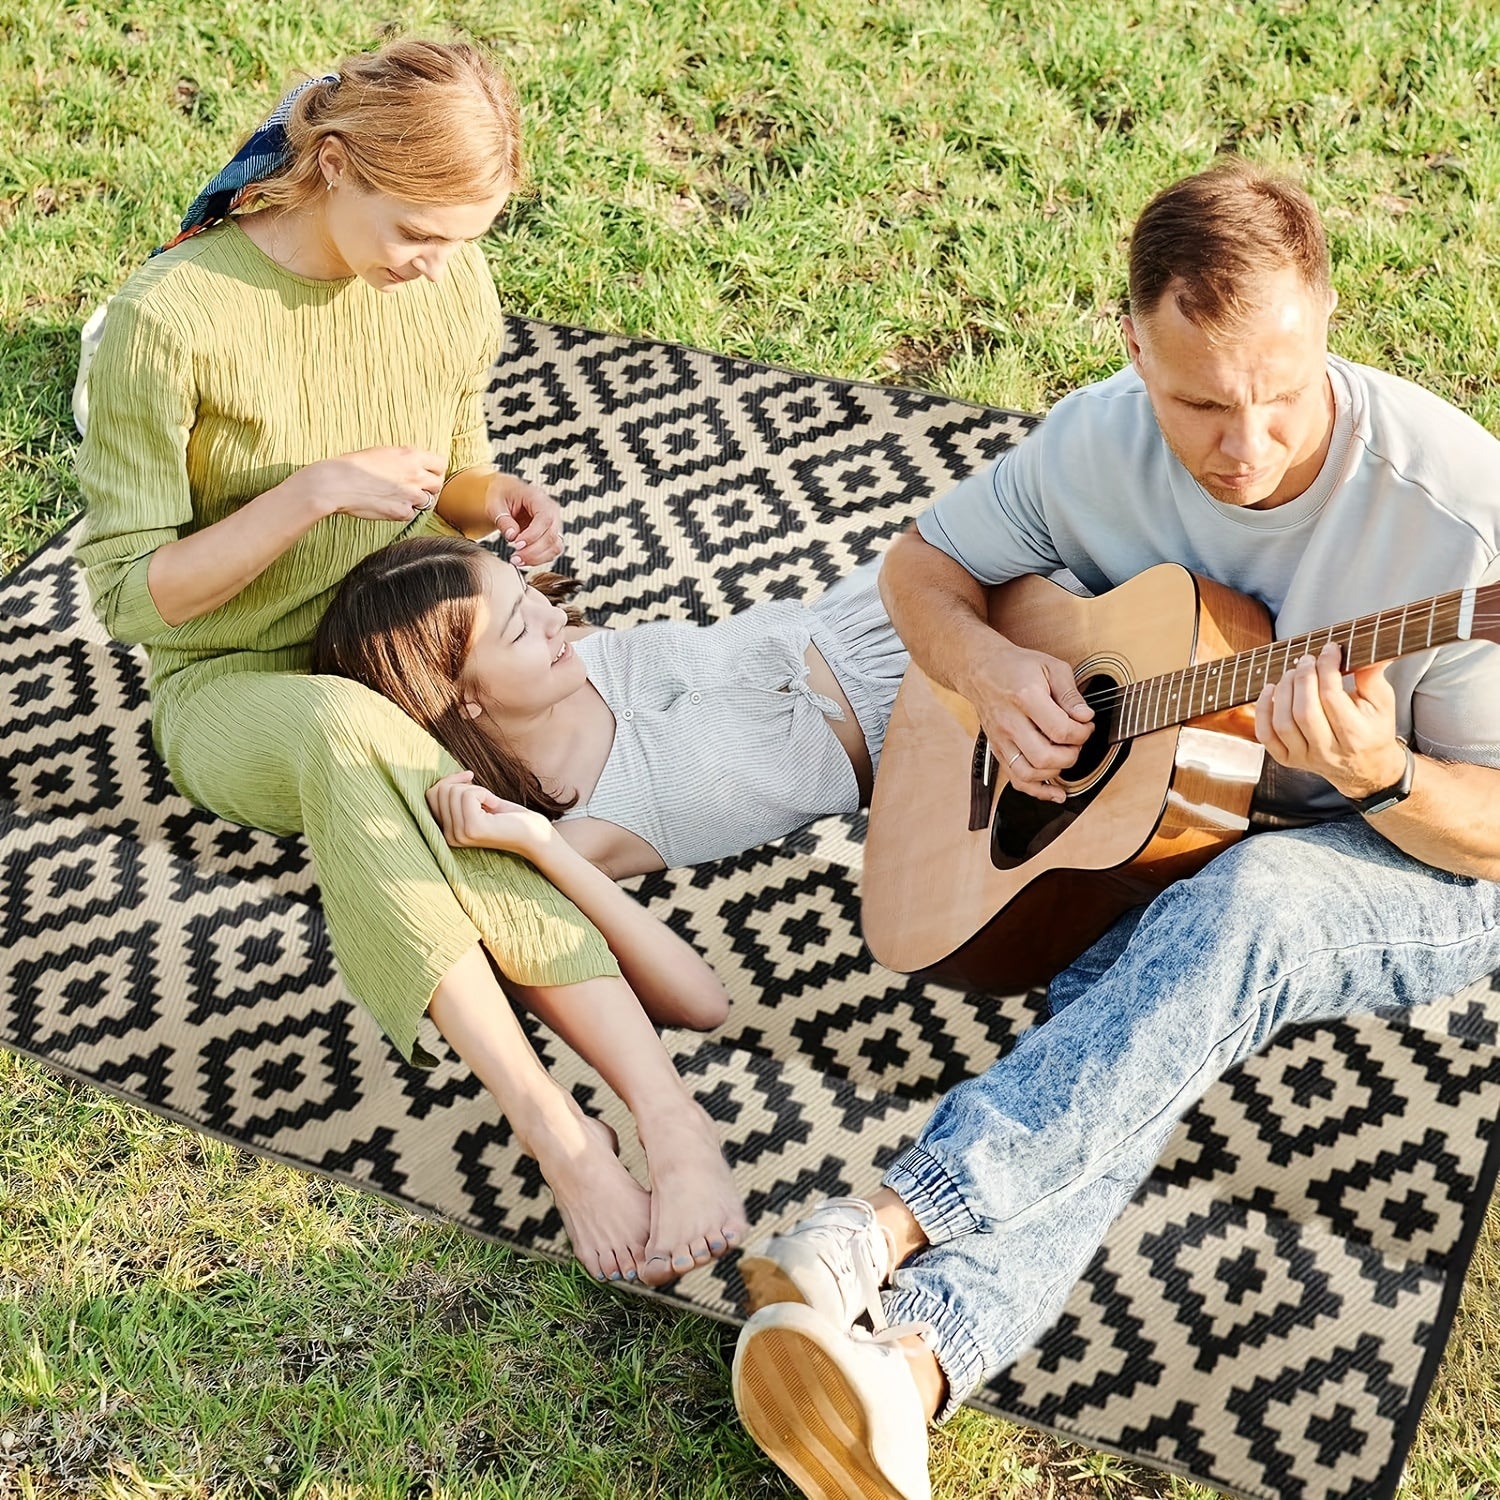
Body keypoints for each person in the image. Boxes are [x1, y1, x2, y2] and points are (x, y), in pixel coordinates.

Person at [728, 159, 1500, 1500]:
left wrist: (1378, 775)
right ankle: (906, 1377)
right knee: (1154, 993)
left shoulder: (1459, 522)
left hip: (1426, 853)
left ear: (1326, 317)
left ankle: (883, 1224)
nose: (1245, 445)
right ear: (1133, 342)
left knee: (1245, 912)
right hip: (1181, 820)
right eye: (1199, 401)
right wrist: (982, 670)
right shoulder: (1097, 441)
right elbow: (924, 570)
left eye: (1281, 395)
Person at [74, 37, 746, 1288]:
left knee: (458, 811)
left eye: (463, 237)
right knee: (354, 739)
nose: (438, 264)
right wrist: (310, 496)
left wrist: (497, 501)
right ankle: (564, 1139)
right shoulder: (170, 321)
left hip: (409, 638)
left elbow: (448, 475)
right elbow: (128, 595)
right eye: (417, 232)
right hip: (231, 680)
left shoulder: (449, 286)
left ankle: (669, 1119)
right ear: (332, 165)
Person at [309, 538, 907, 878]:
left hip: (873, 612)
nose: (552, 618)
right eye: (519, 630)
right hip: (917, 741)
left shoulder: (566, 652)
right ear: (458, 697)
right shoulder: (575, 834)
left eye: (526, 592)